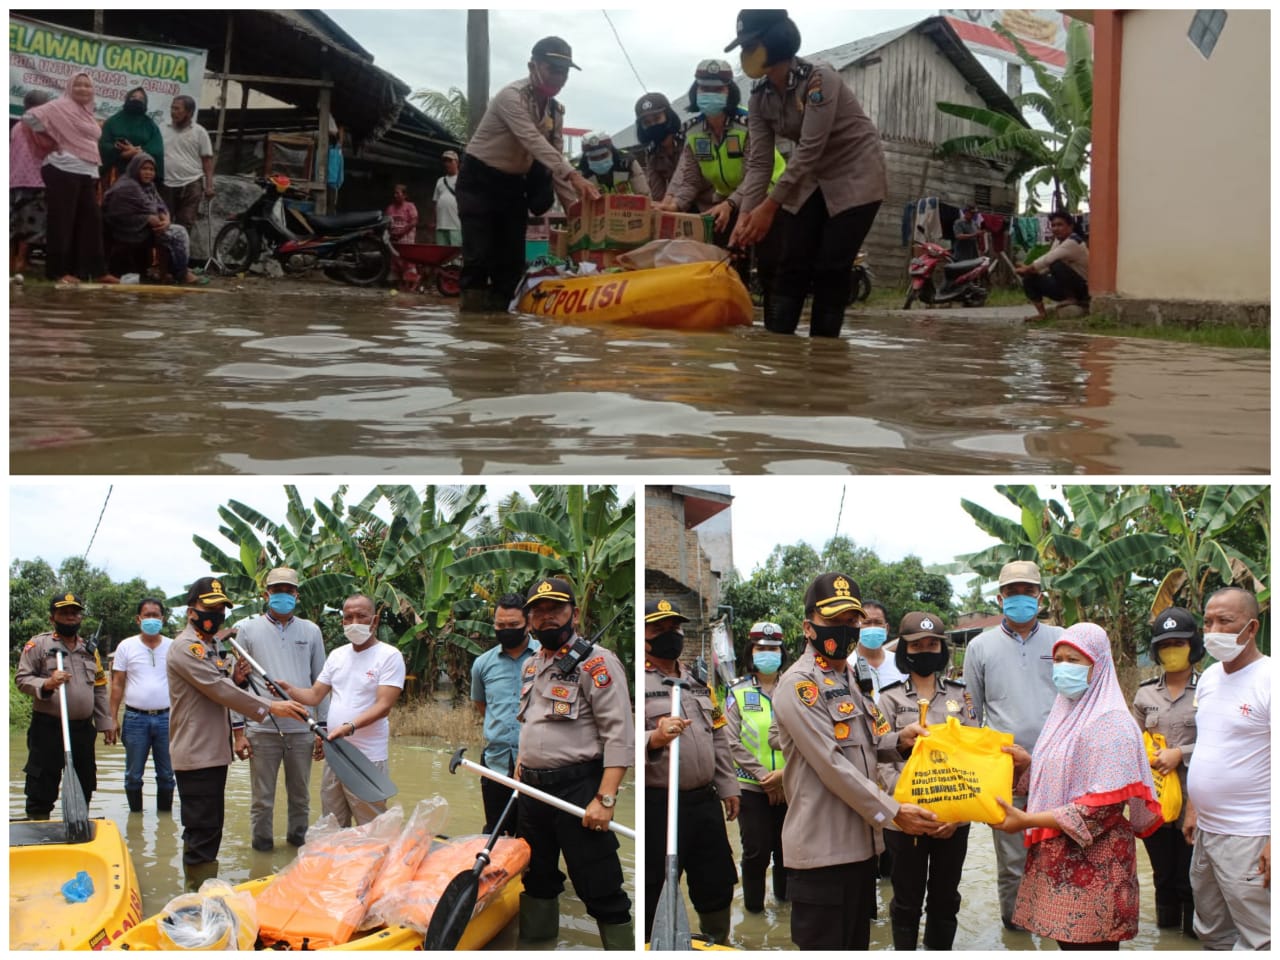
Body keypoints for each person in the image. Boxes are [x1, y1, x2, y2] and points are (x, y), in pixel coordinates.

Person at [772, 572, 937, 949]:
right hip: (822, 853)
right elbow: (831, 764)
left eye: (852, 621)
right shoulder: (800, 685)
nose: (845, 630)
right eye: (833, 621)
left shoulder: (851, 676)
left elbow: (867, 739)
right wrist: (894, 811)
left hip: (861, 850)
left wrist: (900, 741)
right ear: (808, 626)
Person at [993, 622, 1162, 949]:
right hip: (1059, 863)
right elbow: (1063, 773)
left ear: (1098, 666)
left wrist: (1027, 821)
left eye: (1074, 660)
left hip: (1094, 868)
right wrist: (1028, 763)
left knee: (1091, 948)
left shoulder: (1112, 722)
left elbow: (1100, 810)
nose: (1063, 668)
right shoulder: (1065, 713)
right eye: (1058, 660)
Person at [727, 10, 887, 338]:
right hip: (811, 177)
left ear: (774, 40)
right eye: (742, 48)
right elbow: (759, 164)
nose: (746, 55)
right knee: (791, 261)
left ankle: (825, 355)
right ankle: (778, 349)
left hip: (856, 173)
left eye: (752, 45)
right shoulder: (758, 98)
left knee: (831, 266)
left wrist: (768, 209)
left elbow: (810, 149)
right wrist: (745, 218)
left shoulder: (819, 78)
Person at [515, 577, 634, 949]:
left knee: (599, 884)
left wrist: (605, 799)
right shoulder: (532, 665)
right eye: (538, 611)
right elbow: (531, 722)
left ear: (575, 613)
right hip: (532, 790)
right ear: (530, 620)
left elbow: (619, 735)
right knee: (536, 877)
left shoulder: (597, 663)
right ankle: (536, 945)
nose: (546, 617)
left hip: (579, 791)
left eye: (555, 609)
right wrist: (521, 764)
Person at [168, 576, 309, 890]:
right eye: (210, 607)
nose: (216, 613)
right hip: (195, 752)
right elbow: (219, 689)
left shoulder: (210, 646)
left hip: (213, 752)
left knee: (210, 828)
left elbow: (229, 685)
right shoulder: (185, 648)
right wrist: (273, 707)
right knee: (201, 828)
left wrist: (240, 682)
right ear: (191, 610)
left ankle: (204, 890)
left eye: (221, 608)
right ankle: (196, 895)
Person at [457, 36, 600, 313]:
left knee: (511, 262)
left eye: (564, 72)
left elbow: (554, 162)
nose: (559, 78)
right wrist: (575, 175)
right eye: (553, 69)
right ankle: (471, 331)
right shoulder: (511, 97)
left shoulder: (556, 112)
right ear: (532, 65)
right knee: (479, 256)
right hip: (479, 180)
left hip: (513, 185)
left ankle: (502, 330)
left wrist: (576, 211)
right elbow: (532, 140)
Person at [961, 559, 1063, 932]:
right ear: (1000, 598)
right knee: (1012, 861)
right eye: (1013, 591)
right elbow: (972, 713)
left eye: (1028, 590)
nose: (1021, 597)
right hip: (1005, 770)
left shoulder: (1061, 640)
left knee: (1058, 854)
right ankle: (1017, 933)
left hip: (1058, 767)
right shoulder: (980, 646)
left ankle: (1058, 925)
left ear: (1040, 595)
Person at [878, 612, 978, 951]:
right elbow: (880, 760)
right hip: (904, 819)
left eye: (932, 644)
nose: (925, 650)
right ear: (904, 650)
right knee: (905, 900)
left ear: (942, 648)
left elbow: (972, 754)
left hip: (953, 819)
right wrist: (901, 806)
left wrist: (958, 813)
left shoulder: (961, 696)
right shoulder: (888, 699)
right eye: (916, 645)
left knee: (945, 897)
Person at [643, 598, 739, 945]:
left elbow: (718, 736)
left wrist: (729, 786)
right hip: (659, 804)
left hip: (705, 802)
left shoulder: (698, 681)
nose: (670, 634)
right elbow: (620, 740)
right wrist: (653, 737)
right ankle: (655, 944)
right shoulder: (635, 684)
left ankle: (718, 942)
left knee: (716, 881)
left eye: (674, 628)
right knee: (655, 884)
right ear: (643, 636)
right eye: (659, 629)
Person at [1182, 586, 1270, 950]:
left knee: (1261, 936)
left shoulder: (1270, 679)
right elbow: (1209, 745)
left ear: (1250, 628)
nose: (1214, 629)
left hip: (1250, 834)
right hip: (1207, 831)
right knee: (1212, 930)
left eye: (1225, 621)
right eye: (1208, 622)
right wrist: (1193, 805)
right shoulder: (1210, 678)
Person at [277, 594, 406, 827]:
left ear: (374, 621)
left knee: (372, 827)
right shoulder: (337, 655)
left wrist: (350, 726)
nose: (354, 621)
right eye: (348, 617)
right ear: (343, 622)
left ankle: (375, 862)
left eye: (361, 616)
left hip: (367, 757)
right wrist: (288, 689)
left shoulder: (389, 655)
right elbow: (315, 695)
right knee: (332, 823)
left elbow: (383, 705)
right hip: (335, 752)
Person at [660, 58, 785, 288]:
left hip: (768, 195)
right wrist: (673, 206)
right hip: (725, 202)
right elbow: (690, 179)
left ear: (729, 92)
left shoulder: (748, 124)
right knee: (724, 258)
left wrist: (731, 204)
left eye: (717, 89)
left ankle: (772, 316)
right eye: (704, 88)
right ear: (695, 91)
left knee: (770, 263)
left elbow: (756, 174)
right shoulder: (693, 131)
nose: (709, 93)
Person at [231, 567, 327, 852]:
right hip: (261, 729)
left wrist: (322, 727)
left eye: (289, 590)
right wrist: (239, 731)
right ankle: (261, 854)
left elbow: (320, 683)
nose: (283, 595)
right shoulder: (247, 630)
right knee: (262, 799)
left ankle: (298, 849)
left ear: (296, 595)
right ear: (266, 594)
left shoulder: (311, 631)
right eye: (277, 590)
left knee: (300, 798)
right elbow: (238, 686)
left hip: (301, 729)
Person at [1131, 605, 1202, 938]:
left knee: (1191, 877)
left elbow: (1223, 743)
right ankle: (1166, 941)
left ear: (1193, 645)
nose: (1171, 650)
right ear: (1156, 650)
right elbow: (1132, 742)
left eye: (1179, 642)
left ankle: (1192, 939)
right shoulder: (1145, 694)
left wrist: (1181, 753)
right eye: (1165, 644)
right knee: (1162, 876)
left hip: (1197, 801)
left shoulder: (1209, 689)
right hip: (1156, 799)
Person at [16, 592, 117, 819]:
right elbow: (22, 679)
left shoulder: (90, 650)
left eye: (74, 613)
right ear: (53, 618)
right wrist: (48, 683)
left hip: (82, 729)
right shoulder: (38, 645)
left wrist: (106, 722)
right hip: (48, 728)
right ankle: (38, 826)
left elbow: (99, 687)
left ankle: (78, 826)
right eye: (64, 613)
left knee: (84, 782)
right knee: (42, 783)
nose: (70, 617)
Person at [22, 73, 118, 285]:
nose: (83, 89)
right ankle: (58, 271)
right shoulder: (59, 106)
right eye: (78, 85)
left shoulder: (87, 112)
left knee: (91, 221)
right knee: (62, 221)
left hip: (86, 169)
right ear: (69, 87)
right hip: (62, 167)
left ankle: (93, 270)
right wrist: (50, 139)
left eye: (87, 85)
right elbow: (29, 117)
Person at [724, 621, 788, 914]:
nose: (768, 654)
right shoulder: (737, 691)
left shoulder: (797, 688)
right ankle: (754, 915)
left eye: (773, 648)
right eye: (762, 648)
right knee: (756, 852)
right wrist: (764, 777)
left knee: (788, 851)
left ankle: (785, 910)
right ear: (751, 651)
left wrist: (783, 779)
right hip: (751, 786)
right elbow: (729, 741)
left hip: (792, 785)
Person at [470, 592, 539, 835]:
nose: (506, 630)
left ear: (528, 624)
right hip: (495, 761)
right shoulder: (483, 664)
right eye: (500, 625)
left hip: (537, 763)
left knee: (534, 834)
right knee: (497, 831)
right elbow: (483, 706)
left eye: (513, 625)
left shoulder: (546, 657)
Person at [109, 597, 176, 813]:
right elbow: (117, 684)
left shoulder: (173, 647)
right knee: (133, 776)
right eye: (147, 615)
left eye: (155, 615)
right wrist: (112, 719)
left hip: (167, 718)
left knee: (167, 775)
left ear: (163, 619)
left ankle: (164, 821)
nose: (151, 619)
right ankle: (135, 819)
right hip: (135, 719)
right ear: (138, 619)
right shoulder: (126, 646)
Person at [102, 154, 199, 283]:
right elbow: (149, 210)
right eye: (144, 169)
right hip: (125, 229)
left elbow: (161, 206)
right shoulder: (128, 186)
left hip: (142, 226)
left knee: (173, 230)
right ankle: (181, 273)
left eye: (151, 169)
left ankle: (174, 271)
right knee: (177, 233)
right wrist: (154, 219)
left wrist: (166, 220)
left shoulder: (149, 186)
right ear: (135, 168)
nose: (148, 173)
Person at [1016, 209, 1089, 321]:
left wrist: (1028, 268)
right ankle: (1042, 314)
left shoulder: (1073, 242)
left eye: (1060, 225)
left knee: (1055, 264)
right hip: (1064, 287)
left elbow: (1047, 259)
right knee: (1029, 279)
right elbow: (1045, 265)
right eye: (1053, 225)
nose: (1055, 228)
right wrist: (1031, 272)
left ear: (1070, 226)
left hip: (1082, 289)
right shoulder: (1058, 241)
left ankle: (1072, 298)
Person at [10, 89, 51, 279]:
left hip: (14, 180)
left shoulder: (17, 125)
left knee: (14, 223)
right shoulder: (38, 126)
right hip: (35, 180)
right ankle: (21, 260)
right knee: (30, 225)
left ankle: (12, 261)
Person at [160, 95, 214, 232]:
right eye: (172, 108)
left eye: (177, 109)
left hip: (191, 184)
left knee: (185, 223)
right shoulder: (163, 128)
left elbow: (207, 160)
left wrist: (209, 186)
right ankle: (163, 254)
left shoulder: (199, 132)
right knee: (163, 222)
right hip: (166, 183)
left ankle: (181, 253)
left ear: (189, 113)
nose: (173, 112)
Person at [99, 86, 165, 184]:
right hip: (114, 174)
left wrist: (138, 152)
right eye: (133, 97)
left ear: (145, 103)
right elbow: (103, 144)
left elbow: (157, 149)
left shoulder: (150, 125)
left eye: (141, 98)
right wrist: (121, 153)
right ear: (127, 99)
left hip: (140, 176)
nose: (137, 100)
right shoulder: (113, 121)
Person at [633, 92, 686, 204]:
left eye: (657, 119)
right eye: (647, 122)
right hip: (676, 205)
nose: (653, 125)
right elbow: (657, 193)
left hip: (706, 203)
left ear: (668, 116)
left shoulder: (688, 139)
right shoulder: (652, 153)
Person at [857, 599, 907, 695]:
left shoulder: (900, 663)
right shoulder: (848, 665)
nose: (872, 627)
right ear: (857, 626)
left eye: (878, 622)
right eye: (867, 623)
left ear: (886, 628)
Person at [578, 131, 649, 196]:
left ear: (611, 151)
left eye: (604, 155)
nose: (599, 160)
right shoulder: (581, 172)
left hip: (628, 207)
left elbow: (643, 194)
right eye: (593, 158)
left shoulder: (627, 162)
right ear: (586, 158)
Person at [433, 151, 461, 245]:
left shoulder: (463, 179)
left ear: (457, 162)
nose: (447, 163)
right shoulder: (440, 181)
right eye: (445, 161)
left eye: (450, 161)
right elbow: (436, 203)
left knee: (456, 257)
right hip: (441, 226)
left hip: (456, 226)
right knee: (442, 257)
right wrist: (435, 222)